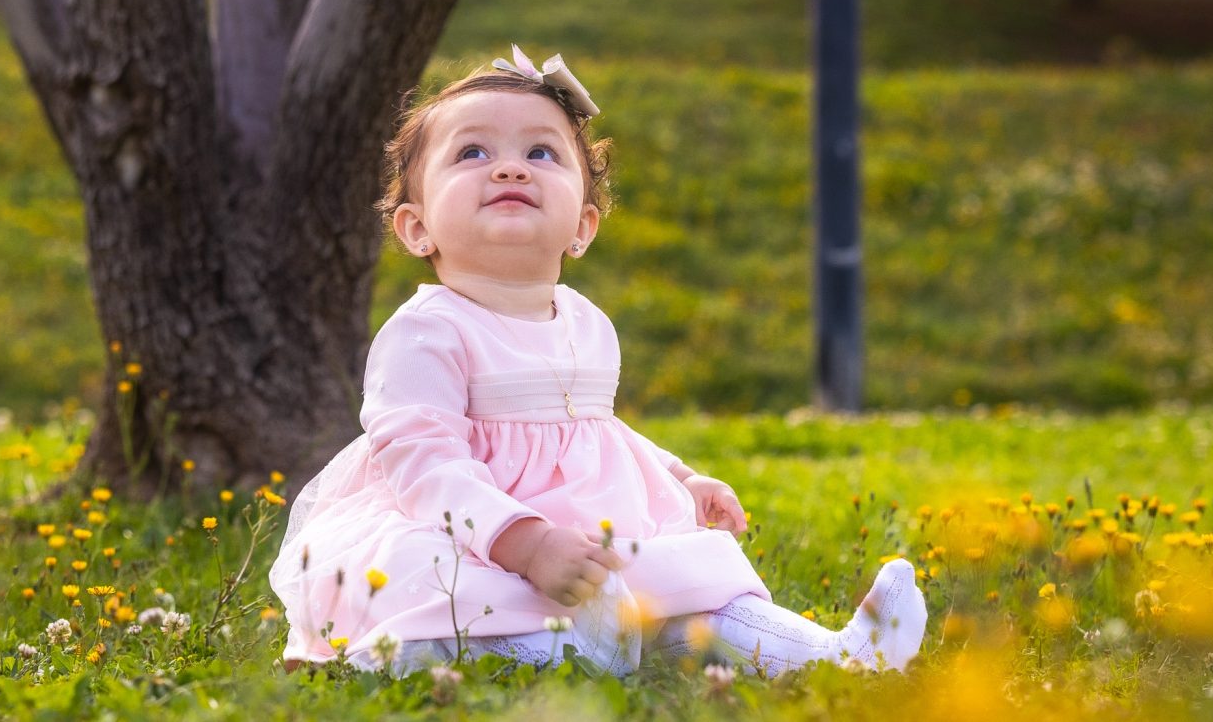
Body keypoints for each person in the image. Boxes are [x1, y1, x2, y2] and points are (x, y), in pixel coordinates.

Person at [268, 46, 928, 677]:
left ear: (582, 227)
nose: (510, 169)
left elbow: (595, 427)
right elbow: (423, 464)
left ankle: (840, 656)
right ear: (417, 228)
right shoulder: (426, 331)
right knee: (456, 605)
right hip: (470, 538)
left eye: (541, 152)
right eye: (472, 152)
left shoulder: (586, 322)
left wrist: (679, 477)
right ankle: (563, 651)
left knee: (699, 593)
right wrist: (525, 544)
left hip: (587, 537)